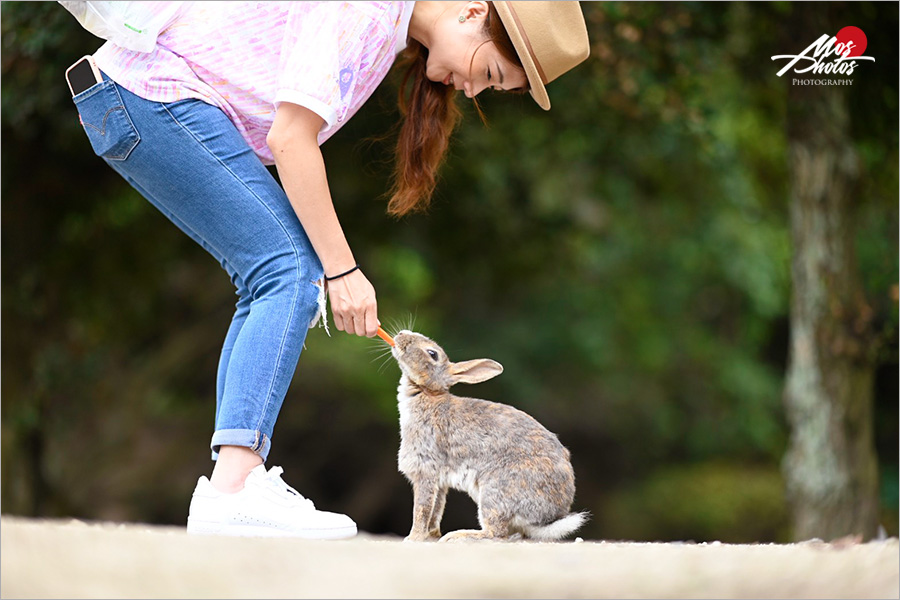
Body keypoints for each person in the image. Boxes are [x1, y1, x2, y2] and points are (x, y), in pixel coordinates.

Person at [68, 1, 589, 538]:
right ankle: (234, 490)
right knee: (291, 270)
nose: (475, 91)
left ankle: (231, 485)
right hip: (155, 97)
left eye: (490, 89)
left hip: (141, 101)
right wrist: (343, 272)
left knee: (277, 272)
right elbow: (290, 139)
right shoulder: (366, 10)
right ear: (473, 12)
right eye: (489, 73)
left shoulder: (387, 28)